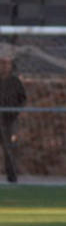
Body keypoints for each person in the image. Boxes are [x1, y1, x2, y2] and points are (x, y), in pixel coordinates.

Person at [0, 47, 26, 184]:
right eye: (1, 63)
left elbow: (23, 99)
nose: (3, 66)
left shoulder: (15, 82)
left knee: (9, 150)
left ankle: (12, 178)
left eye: (6, 63)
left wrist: (16, 112)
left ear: (10, 65)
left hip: (9, 121)